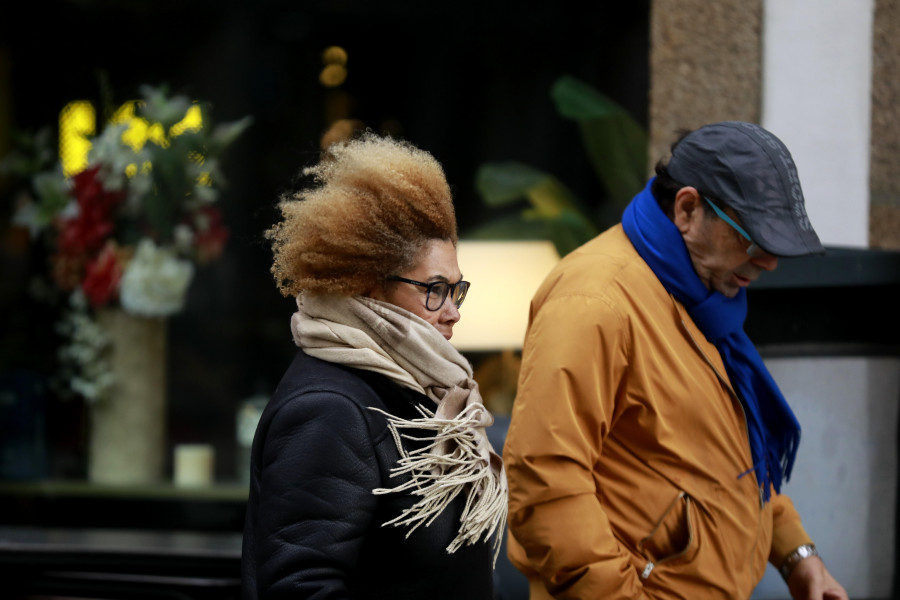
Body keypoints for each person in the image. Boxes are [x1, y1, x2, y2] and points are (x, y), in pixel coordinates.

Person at [502, 122, 849, 600]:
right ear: (687, 209)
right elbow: (544, 475)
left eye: (778, 249)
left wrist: (796, 554)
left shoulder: (700, 295)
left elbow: (724, 458)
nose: (768, 262)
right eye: (755, 240)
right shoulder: (595, 299)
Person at [241, 132, 507, 599]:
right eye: (434, 289)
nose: (453, 311)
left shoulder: (419, 386)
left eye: (456, 289)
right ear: (366, 286)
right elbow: (300, 586)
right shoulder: (330, 408)